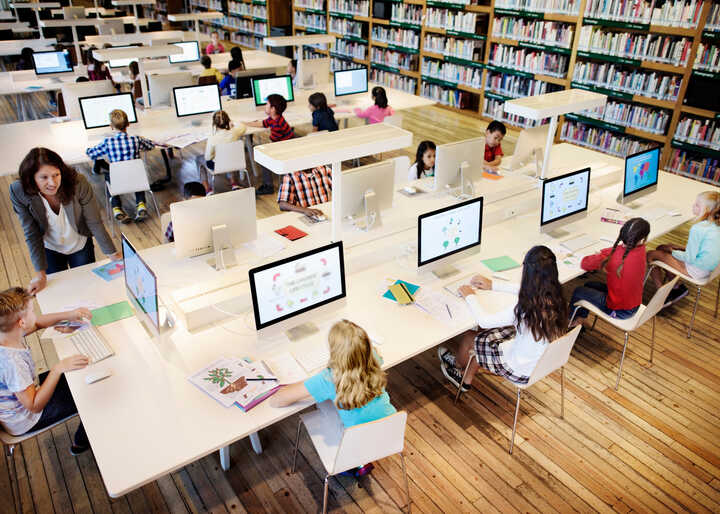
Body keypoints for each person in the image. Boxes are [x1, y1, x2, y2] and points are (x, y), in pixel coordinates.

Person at [271, 319, 396, 477]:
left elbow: (278, 400)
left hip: (355, 442)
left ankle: (353, 465)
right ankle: (360, 461)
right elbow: (374, 353)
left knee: (323, 405)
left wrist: (309, 382)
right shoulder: (373, 360)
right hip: (390, 433)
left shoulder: (329, 378)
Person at [438, 246, 568, 391]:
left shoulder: (526, 308)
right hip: (541, 362)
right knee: (486, 336)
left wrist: (470, 296)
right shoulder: (556, 295)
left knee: (470, 337)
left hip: (518, 369)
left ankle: (458, 366)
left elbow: (484, 321)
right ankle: (466, 379)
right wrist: (493, 285)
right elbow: (529, 290)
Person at [10, 148, 120, 295]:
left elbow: (95, 222)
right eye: (44, 177)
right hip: (49, 247)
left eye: (56, 175)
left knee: (87, 289)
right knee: (59, 293)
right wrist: (40, 275)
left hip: (80, 244)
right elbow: (31, 233)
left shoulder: (78, 182)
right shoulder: (18, 191)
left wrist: (113, 255)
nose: (52, 183)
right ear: (31, 178)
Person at [0, 287, 91, 455]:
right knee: (90, 394)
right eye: (32, 311)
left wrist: (69, 315)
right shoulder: (12, 363)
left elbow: (39, 323)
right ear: (21, 323)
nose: (35, 315)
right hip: (26, 418)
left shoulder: (7, 334)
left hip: (26, 393)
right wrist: (57, 369)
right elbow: (34, 406)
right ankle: (81, 442)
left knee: (79, 377)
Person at [569, 217, 650, 326]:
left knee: (578, 291)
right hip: (633, 303)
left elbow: (585, 263)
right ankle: (579, 319)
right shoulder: (641, 249)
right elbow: (618, 250)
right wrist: (604, 253)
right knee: (590, 285)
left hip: (619, 310)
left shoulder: (616, 260)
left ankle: (567, 322)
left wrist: (601, 254)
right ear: (642, 239)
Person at [647, 191, 720, 306]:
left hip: (696, 270)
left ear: (705, 210)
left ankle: (662, 297)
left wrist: (673, 251)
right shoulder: (716, 225)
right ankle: (677, 286)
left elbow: (689, 258)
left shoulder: (698, 228)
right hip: (709, 269)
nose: (693, 206)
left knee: (651, 254)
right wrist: (680, 248)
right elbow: (705, 248)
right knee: (661, 247)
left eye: (697, 205)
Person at [86, 109, 158, 223]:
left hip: (117, 181)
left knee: (108, 174)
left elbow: (91, 154)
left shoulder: (107, 142)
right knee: (136, 172)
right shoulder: (136, 139)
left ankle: (117, 208)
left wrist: (88, 149)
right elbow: (151, 146)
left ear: (111, 126)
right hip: (136, 179)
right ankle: (141, 205)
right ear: (128, 124)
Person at [247, 94, 295, 195]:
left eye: (267, 104)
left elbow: (273, 142)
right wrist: (246, 123)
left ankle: (268, 186)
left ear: (273, 109)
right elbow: (263, 123)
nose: (265, 106)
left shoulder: (277, 124)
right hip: (284, 145)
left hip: (284, 149)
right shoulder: (275, 118)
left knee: (264, 158)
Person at [197, 110, 247, 194]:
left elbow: (208, 157)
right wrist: (232, 123)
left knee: (198, 159)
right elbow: (243, 126)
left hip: (218, 166)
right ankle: (233, 182)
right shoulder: (234, 132)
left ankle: (207, 189)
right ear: (228, 120)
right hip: (235, 163)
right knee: (229, 156)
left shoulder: (212, 138)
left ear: (214, 124)